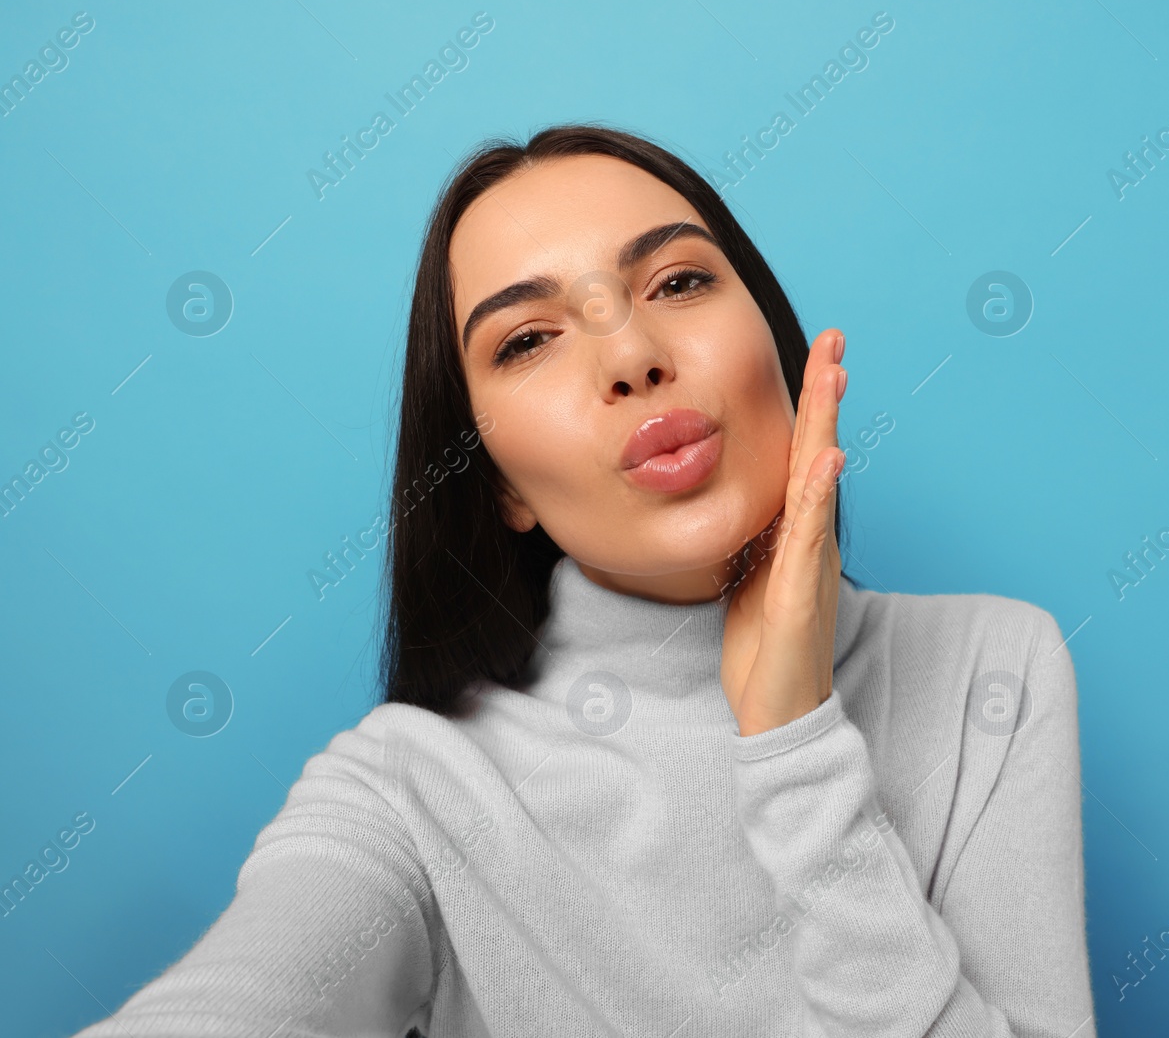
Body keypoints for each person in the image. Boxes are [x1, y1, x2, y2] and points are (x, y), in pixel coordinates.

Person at [69, 123, 1097, 1037]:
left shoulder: (986, 666)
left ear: (777, 345)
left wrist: (795, 744)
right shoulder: (410, 786)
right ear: (502, 487)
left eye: (679, 282)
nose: (632, 355)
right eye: (528, 340)